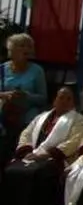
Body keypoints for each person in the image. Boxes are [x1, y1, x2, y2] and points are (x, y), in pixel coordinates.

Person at [1, 87, 83, 205]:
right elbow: (26, 134)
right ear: (54, 100)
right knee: (12, 170)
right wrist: (27, 151)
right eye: (61, 98)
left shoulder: (78, 120)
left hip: (57, 159)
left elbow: (74, 141)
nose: (64, 101)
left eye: (68, 98)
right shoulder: (41, 117)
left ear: (73, 102)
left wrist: (46, 154)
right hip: (32, 155)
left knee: (41, 172)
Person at [1, 33, 48, 167]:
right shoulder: (2, 70)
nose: (26, 49)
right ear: (12, 50)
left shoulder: (37, 71)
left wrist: (26, 96)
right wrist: (6, 95)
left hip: (26, 116)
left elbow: (43, 99)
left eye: (29, 46)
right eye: (21, 46)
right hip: (5, 114)